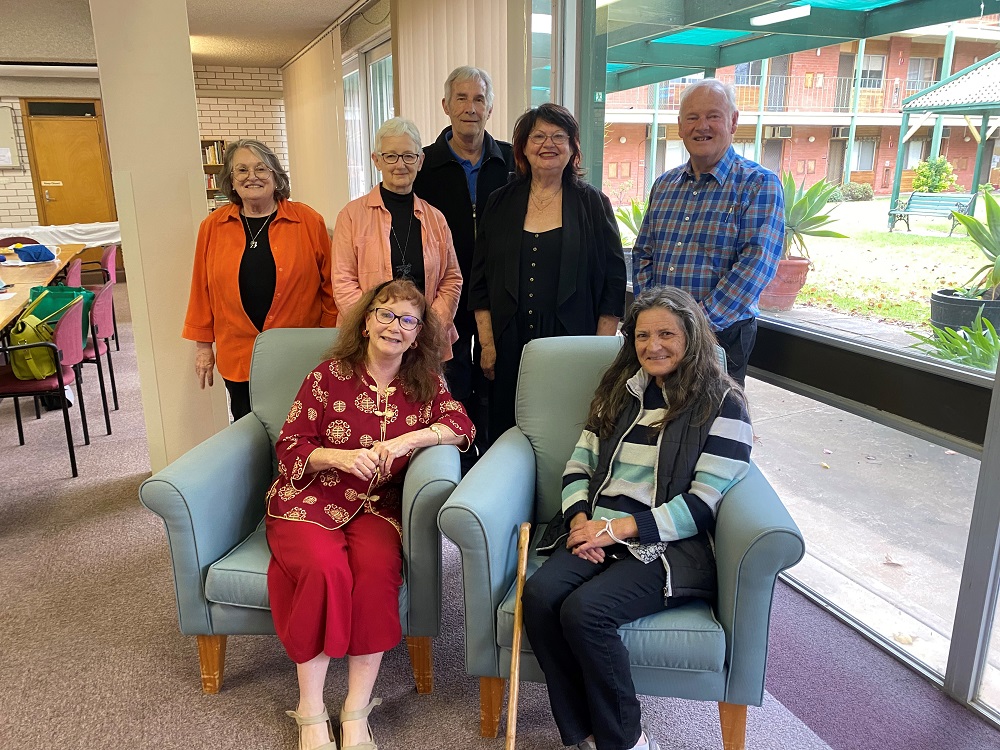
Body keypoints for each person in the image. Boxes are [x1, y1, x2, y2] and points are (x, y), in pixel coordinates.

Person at [521, 286, 753, 750]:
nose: (653, 346)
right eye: (643, 335)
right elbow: (578, 465)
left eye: (667, 333)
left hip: (664, 544)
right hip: (596, 529)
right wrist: (581, 521)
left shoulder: (723, 404)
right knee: (542, 595)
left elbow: (703, 503)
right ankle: (584, 731)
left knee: (587, 612)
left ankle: (626, 740)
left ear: (692, 337)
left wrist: (615, 530)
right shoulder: (619, 392)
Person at [266, 279, 474, 750]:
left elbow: (461, 425)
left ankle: (356, 710)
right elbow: (290, 445)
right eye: (385, 314)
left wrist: (406, 441)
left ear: (418, 334)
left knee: (379, 573)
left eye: (408, 320)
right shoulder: (327, 375)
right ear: (366, 321)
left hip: (376, 509)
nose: (394, 327)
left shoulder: (425, 383)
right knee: (323, 569)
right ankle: (312, 711)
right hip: (309, 499)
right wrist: (336, 457)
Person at [469, 103, 626, 443]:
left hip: (571, 337)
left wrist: (599, 350)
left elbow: (614, 282)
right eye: (538, 136)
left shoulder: (594, 203)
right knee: (506, 429)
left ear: (573, 147)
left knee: (565, 426)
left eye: (559, 136)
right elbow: (479, 278)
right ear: (523, 147)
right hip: (508, 338)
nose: (548, 144)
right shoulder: (498, 201)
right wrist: (487, 344)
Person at [631, 78, 784, 386]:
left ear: (733, 121)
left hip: (722, 334)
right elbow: (643, 253)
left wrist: (692, 328)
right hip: (661, 339)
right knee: (658, 417)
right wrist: (657, 322)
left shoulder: (758, 184)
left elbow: (755, 265)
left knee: (711, 424)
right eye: (692, 117)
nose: (702, 126)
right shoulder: (664, 184)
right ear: (680, 125)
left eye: (713, 116)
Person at [183, 138, 335, 421]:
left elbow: (331, 288)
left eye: (261, 169)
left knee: (300, 429)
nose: (251, 176)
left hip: (297, 353)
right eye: (241, 170)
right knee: (247, 430)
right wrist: (203, 347)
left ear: (276, 177)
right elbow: (201, 289)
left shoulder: (308, 221)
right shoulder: (212, 227)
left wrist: (325, 340)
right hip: (239, 355)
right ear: (230, 179)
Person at [413, 65, 515, 456]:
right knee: (452, 378)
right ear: (445, 105)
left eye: (479, 99)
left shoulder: (512, 161)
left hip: (498, 294)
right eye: (461, 98)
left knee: (496, 377)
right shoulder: (423, 164)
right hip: (444, 296)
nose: (470, 107)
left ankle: (492, 456)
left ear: (490, 107)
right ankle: (452, 456)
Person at [333, 117, 463, 357]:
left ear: (420, 161)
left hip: (424, 341)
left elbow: (452, 279)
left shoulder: (436, 219)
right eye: (391, 156)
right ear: (377, 160)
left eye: (408, 156)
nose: (400, 165)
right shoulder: (351, 216)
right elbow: (343, 282)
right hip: (367, 342)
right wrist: (379, 327)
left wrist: (427, 326)